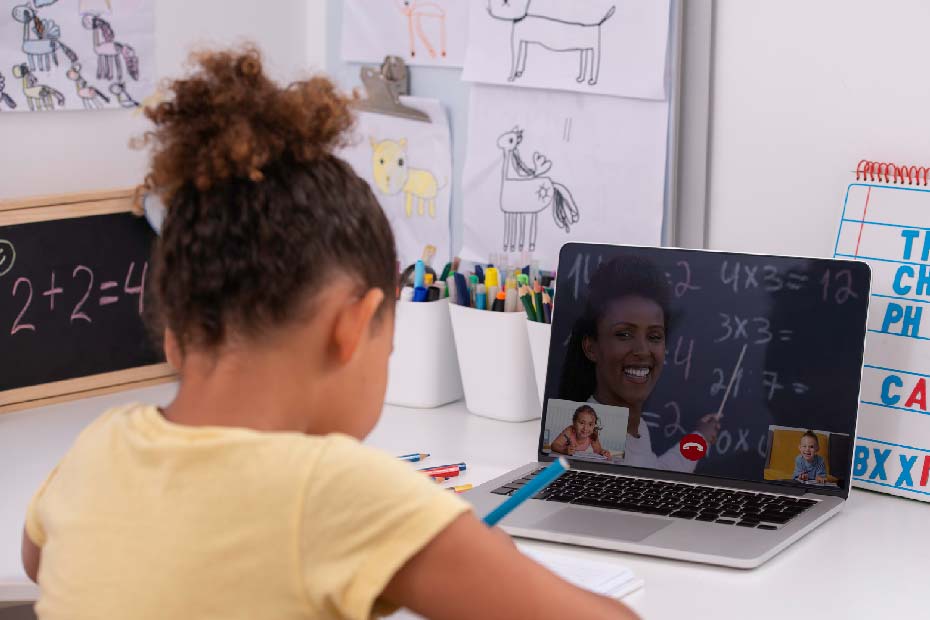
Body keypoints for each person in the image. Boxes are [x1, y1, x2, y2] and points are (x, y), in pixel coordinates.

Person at [20, 48, 636, 620]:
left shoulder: (97, 450)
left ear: (177, 334)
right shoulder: (336, 491)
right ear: (352, 327)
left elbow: (41, 563)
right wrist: (463, 548)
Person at [559, 256, 719, 473]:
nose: (643, 351)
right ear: (591, 348)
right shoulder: (587, 440)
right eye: (624, 334)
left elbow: (655, 473)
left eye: (654, 336)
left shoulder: (635, 427)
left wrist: (700, 439)